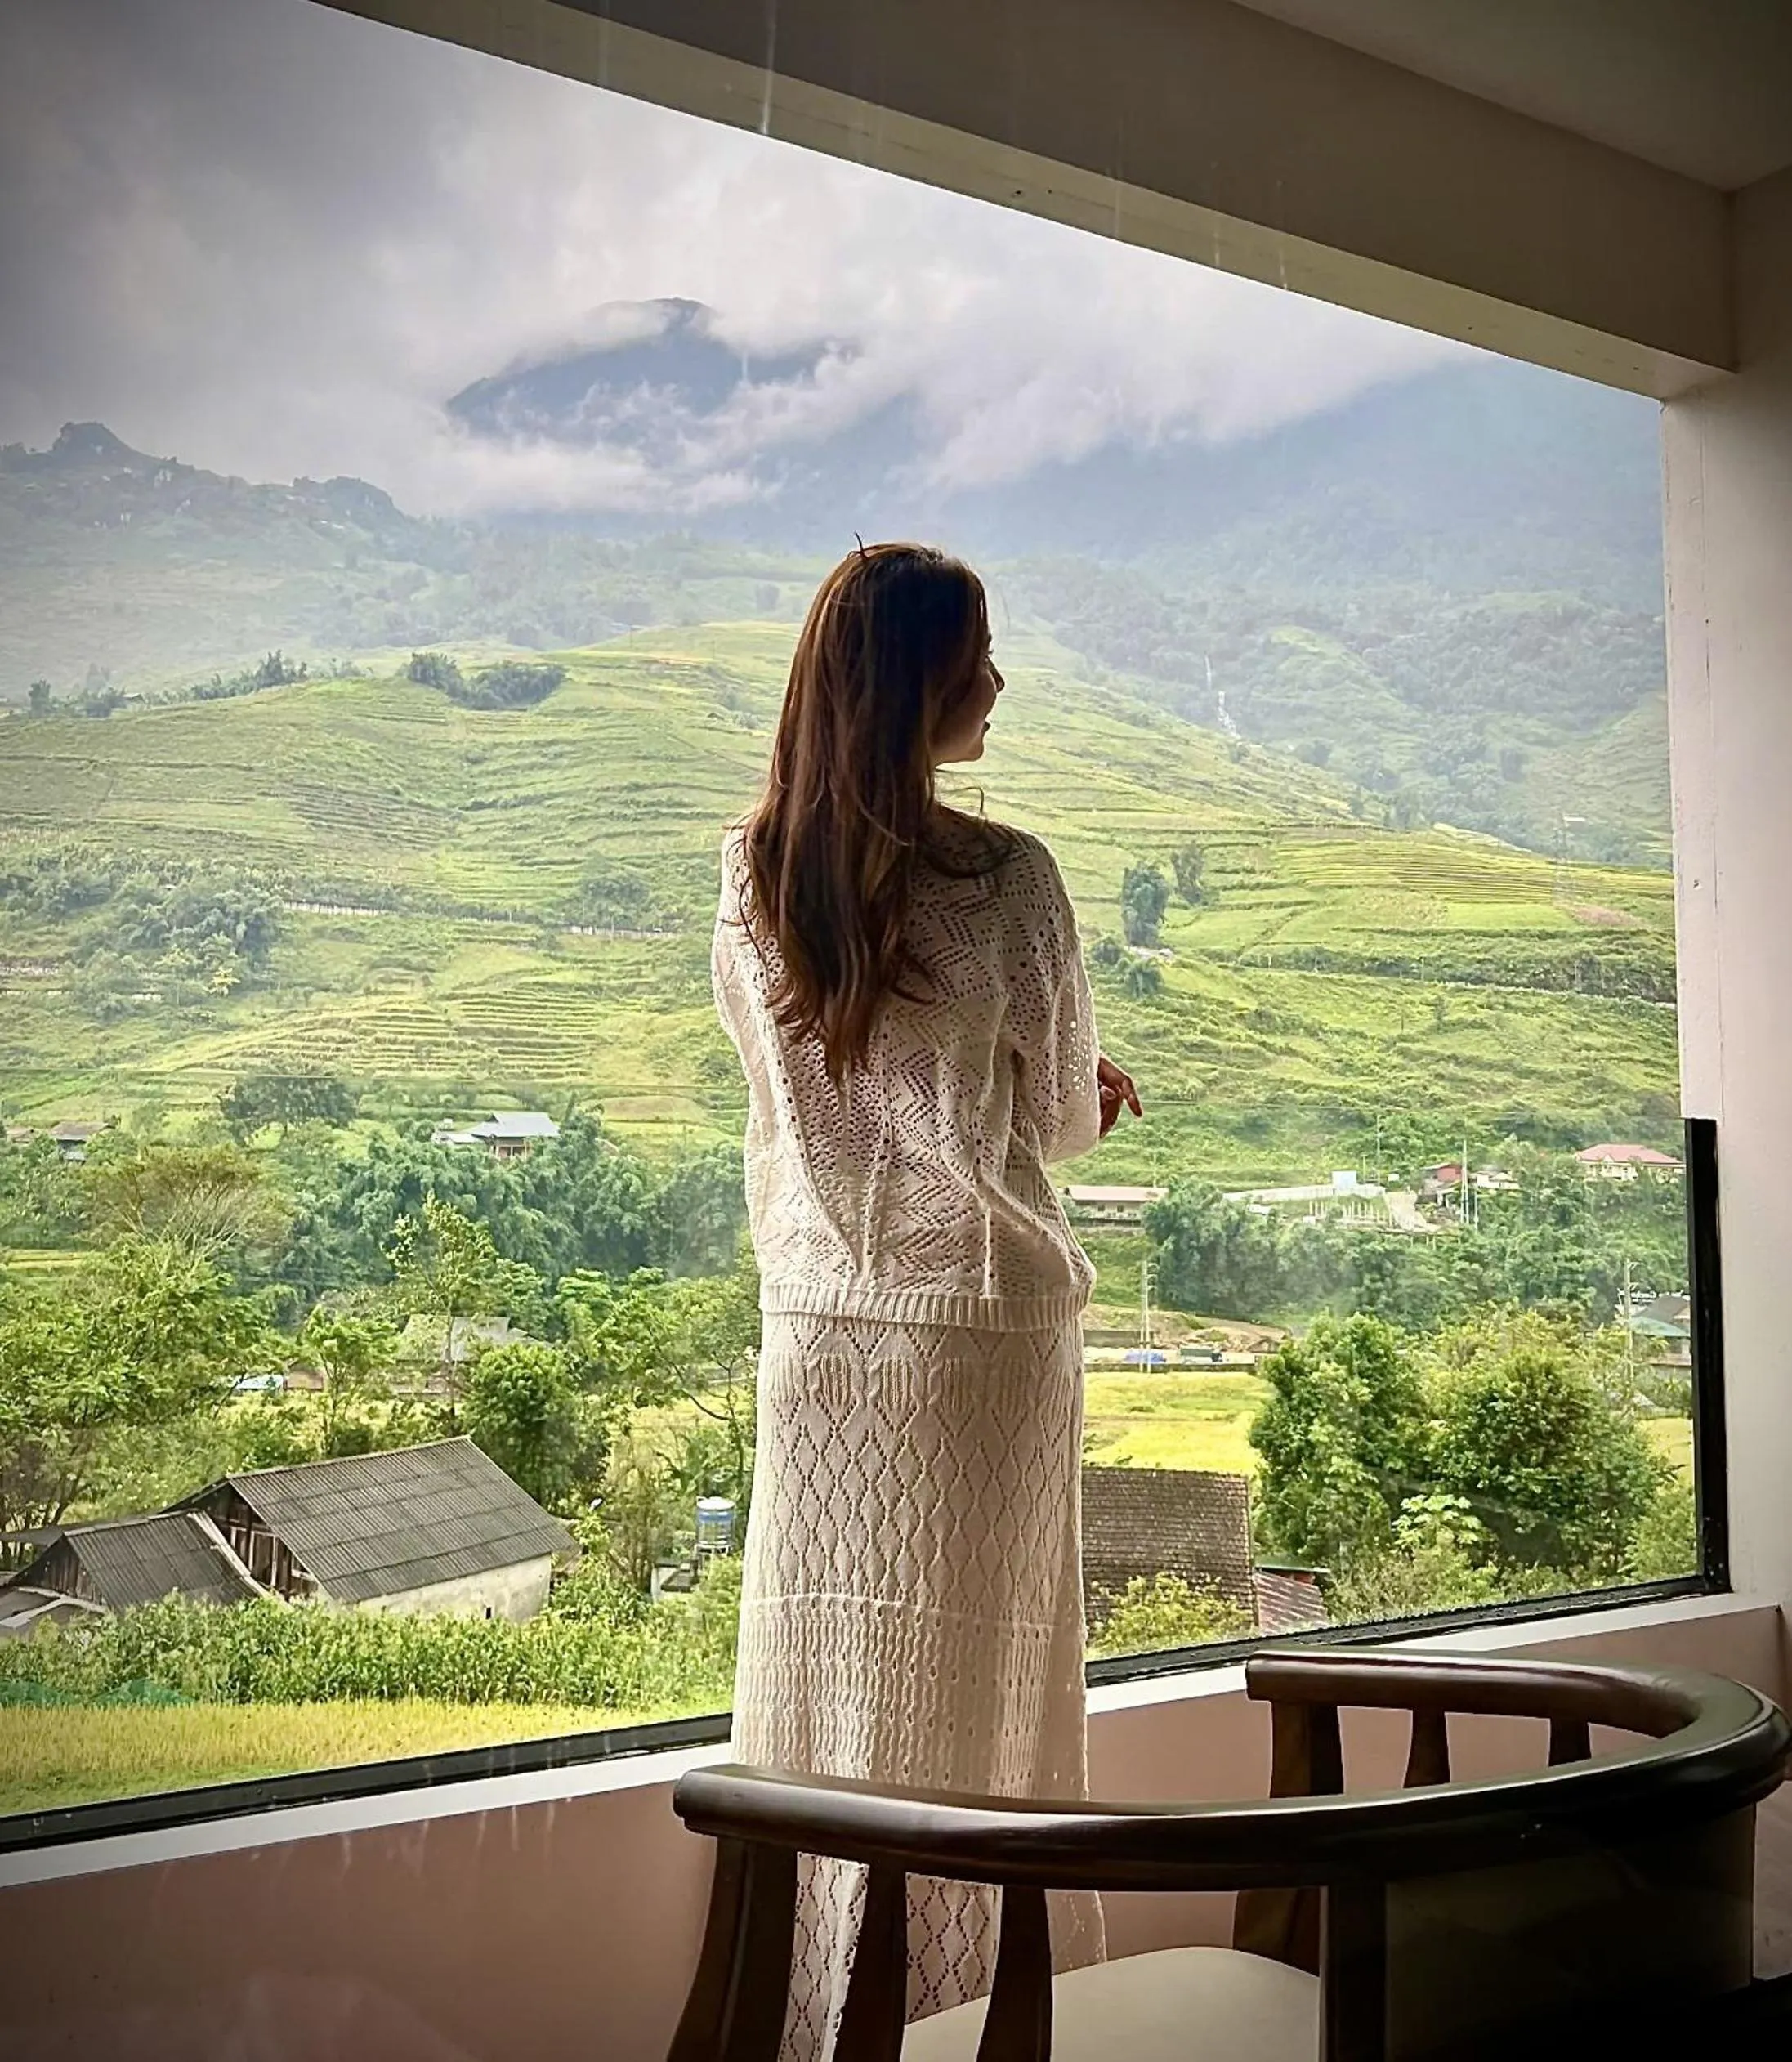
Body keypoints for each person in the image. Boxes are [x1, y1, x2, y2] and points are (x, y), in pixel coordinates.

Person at [712, 541, 1141, 2060]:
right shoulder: (1007, 874)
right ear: (918, 683)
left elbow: (798, 1096)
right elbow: (1061, 1118)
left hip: (818, 1338)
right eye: (977, 657)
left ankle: (825, 2018)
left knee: (822, 1694)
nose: (998, 683)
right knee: (994, 1694)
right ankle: (981, 2020)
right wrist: (1087, 1096)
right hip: (982, 1338)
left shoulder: (756, 869)